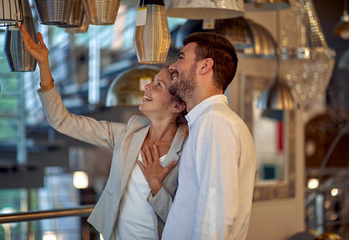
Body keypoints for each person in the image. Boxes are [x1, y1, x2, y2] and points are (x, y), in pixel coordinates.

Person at [18, 24, 187, 240]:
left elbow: (187, 220)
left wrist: (156, 185)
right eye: (152, 81)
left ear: (177, 106)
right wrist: (43, 64)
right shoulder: (127, 135)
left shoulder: (188, 149)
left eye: (159, 85)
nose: (147, 87)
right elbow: (62, 121)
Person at [161, 32, 257, 239]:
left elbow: (216, 213)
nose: (172, 67)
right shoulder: (208, 121)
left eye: (181, 58)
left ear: (205, 66)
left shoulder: (214, 122)